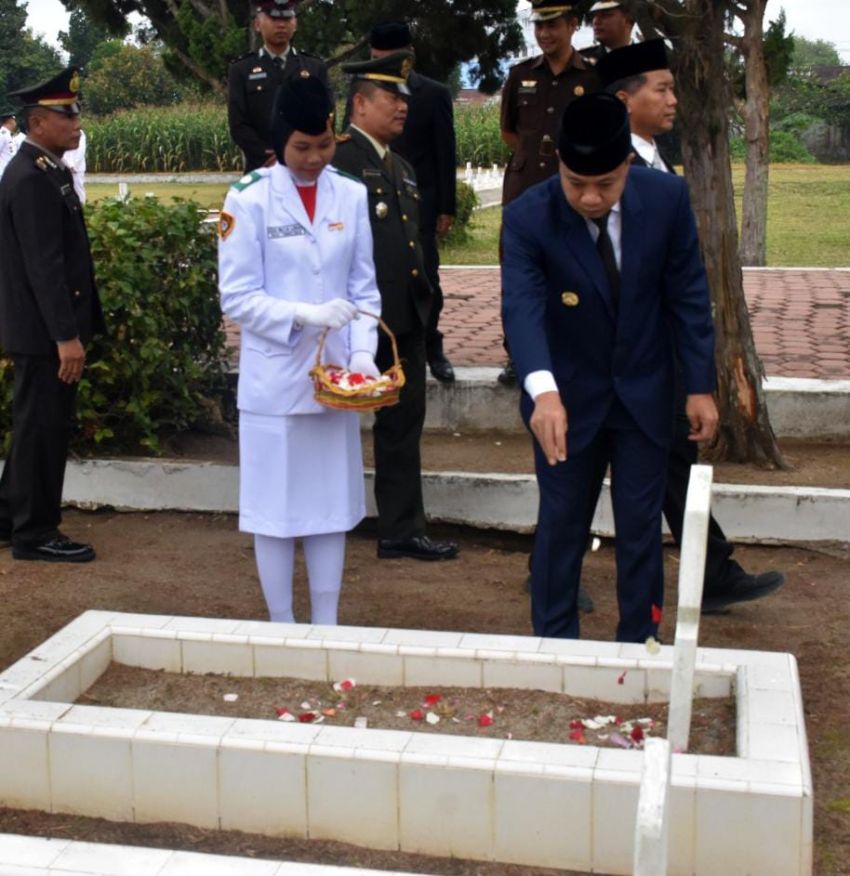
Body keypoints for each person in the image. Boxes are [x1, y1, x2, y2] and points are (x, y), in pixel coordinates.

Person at [502, 93, 718, 642]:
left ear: (627, 164)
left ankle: (639, 643)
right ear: (561, 168)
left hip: (645, 390)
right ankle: (554, 643)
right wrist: (543, 393)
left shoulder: (667, 199)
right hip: (566, 399)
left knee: (642, 526)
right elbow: (522, 312)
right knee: (562, 523)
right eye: (577, 184)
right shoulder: (529, 216)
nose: (591, 198)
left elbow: (688, 296)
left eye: (606, 184)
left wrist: (699, 385)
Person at [598, 40, 786, 613]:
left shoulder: (654, 160)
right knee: (641, 463)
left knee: (673, 461)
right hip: (627, 357)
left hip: (664, 353)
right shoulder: (614, 168)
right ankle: (710, 571)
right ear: (625, 99)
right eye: (662, 87)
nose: (673, 98)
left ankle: (712, 570)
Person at [218, 74, 381, 625]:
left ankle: (327, 623)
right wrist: (301, 316)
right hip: (275, 378)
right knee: (275, 510)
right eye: (301, 148)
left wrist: (362, 353)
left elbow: (363, 289)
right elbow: (237, 297)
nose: (314, 158)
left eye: (324, 145)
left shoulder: (351, 195)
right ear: (280, 142)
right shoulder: (249, 200)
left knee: (328, 505)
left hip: (336, 378)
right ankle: (283, 624)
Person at [334, 52, 458, 562]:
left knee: (404, 426)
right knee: (328, 426)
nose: (403, 107)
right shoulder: (338, 162)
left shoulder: (400, 166)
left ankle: (401, 529)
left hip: (402, 319)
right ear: (360, 104)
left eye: (405, 98)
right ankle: (313, 523)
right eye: (392, 97)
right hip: (352, 322)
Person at [0, 67, 105, 562]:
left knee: (33, 425)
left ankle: (10, 518)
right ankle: (35, 532)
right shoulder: (31, 178)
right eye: (67, 115)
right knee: (42, 429)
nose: (77, 123)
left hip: (40, 330)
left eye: (76, 113)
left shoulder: (45, 169)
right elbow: (45, 268)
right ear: (38, 122)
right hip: (45, 334)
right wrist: (66, 337)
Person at [498, 0, 599, 387]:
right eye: (539, 26)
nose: (544, 34)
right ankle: (517, 355)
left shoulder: (591, 77)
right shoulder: (521, 74)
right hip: (524, 189)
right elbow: (510, 132)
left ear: (573, 24)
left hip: (573, 189)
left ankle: (572, 349)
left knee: (575, 266)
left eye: (553, 25)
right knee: (520, 270)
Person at [356, 21, 458, 384]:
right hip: (374, 203)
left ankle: (432, 347)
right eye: (376, 58)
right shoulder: (363, 92)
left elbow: (445, 153)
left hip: (420, 203)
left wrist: (447, 206)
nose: (381, 65)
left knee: (425, 279)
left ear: (409, 56)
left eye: (390, 58)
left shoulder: (431, 94)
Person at [228, 0, 329, 172]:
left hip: (306, 164)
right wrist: (267, 155)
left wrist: (300, 152)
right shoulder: (241, 69)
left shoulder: (314, 67)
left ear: (295, 24)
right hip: (261, 166)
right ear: (257, 25)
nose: (281, 25)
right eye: (274, 19)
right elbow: (238, 123)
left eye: (287, 19)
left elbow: (327, 116)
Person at [579, 0, 636, 66]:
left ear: (627, 21)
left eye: (605, 15)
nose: (595, 21)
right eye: (594, 16)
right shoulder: (582, 62)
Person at [63, 127, 87, 203]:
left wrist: (73, 165)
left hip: (77, 168)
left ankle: (82, 206)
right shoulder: (61, 132)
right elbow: (62, 150)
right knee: (66, 190)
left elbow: (81, 151)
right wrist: (67, 164)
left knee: (78, 189)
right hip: (64, 166)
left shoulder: (80, 134)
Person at [0, 110, 18, 180]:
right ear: (10, 120)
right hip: (2, 173)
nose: (15, 123)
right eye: (14, 120)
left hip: (8, 172)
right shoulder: (2, 134)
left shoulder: (7, 134)